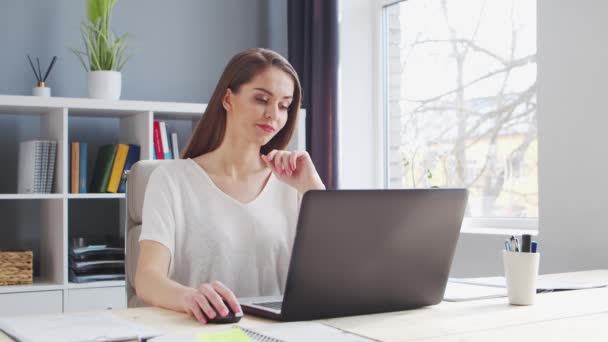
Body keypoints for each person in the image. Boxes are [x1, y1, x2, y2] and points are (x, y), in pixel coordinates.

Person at [134, 48, 325, 324]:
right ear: (227, 99)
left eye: (284, 105)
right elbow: (147, 278)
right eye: (262, 99)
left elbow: (339, 272)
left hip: (281, 333)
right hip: (204, 332)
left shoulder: (293, 183)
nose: (274, 114)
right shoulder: (172, 180)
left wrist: (312, 188)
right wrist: (189, 297)